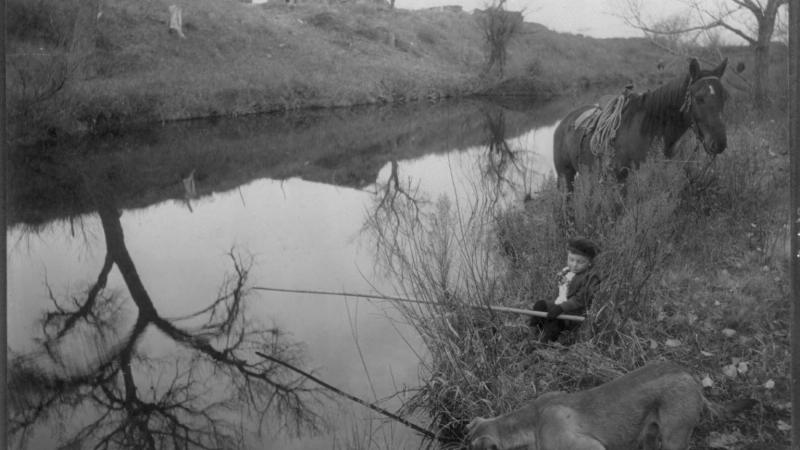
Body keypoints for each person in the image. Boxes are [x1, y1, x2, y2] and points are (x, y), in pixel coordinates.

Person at [529, 237, 601, 343]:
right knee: (540, 305)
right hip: (560, 306)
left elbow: (580, 299)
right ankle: (533, 333)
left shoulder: (590, 277)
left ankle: (544, 342)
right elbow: (561, 293)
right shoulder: (566, 272)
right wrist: (555, 305)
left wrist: (561, 308)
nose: (574, 265)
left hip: (573, 314)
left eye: (580, 262)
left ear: (589, 262)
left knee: (554, 321)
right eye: (571, 260)